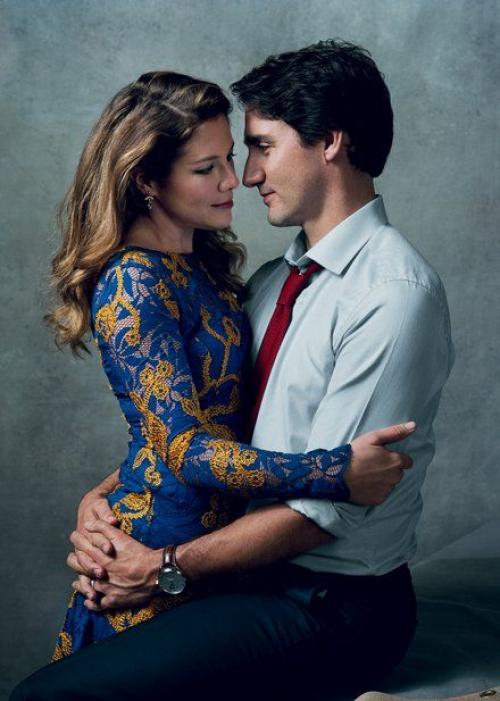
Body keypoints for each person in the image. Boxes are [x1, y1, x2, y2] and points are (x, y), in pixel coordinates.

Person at [10, 40, 452, 701]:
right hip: (242, 577)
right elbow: (197, 430)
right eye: (222, 161)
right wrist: (103, 500)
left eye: (262, 147)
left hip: (327, 603)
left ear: (330, 142)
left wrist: (161, 568)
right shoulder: (272, 283)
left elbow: (324, 508)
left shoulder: (391, 295)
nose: (246, 176)